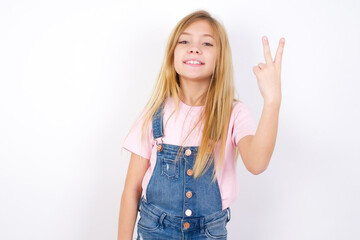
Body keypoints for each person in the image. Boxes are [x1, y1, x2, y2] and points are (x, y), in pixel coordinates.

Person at [117, 9, 285, 240]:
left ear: (220, 58)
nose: (194, 48)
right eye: (184, 40)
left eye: (207, 43)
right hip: (153, 233)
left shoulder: (233, 113)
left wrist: (272, 101)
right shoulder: (154, 113)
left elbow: (257, 163)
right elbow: (131, 191)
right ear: (172, 54)